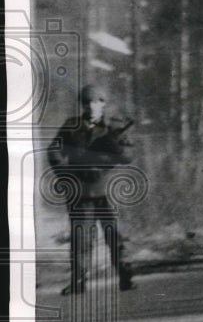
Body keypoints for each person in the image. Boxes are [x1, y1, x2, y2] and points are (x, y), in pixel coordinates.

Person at [47, 83, 136, 295]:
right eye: (88, 103)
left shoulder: (112, 129)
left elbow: (127, 156)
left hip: (106, 189)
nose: (92, 107)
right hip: (81, 191)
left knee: (114, 235)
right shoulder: (71, 126)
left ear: (103, 105)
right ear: (82, 105)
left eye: (97, 102)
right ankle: (78, 281)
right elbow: (54, 151)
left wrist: (113, 146)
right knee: (81, 238)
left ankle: (125, 275)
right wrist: (65, 174)